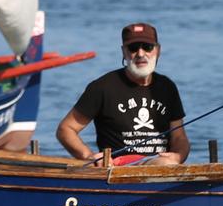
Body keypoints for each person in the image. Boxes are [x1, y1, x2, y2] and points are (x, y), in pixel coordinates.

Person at [56, 21, 188, 166]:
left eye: (147, 47)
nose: (140, 53)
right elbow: (66, 129)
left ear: (158, 50)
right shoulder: (102, 87)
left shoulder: (167, 87)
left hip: (162, 164)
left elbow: (179, 137)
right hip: (118, 168)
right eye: (133, 48)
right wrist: (88, 156)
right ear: (124, 52)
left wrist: (178, 156)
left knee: (165, 164)